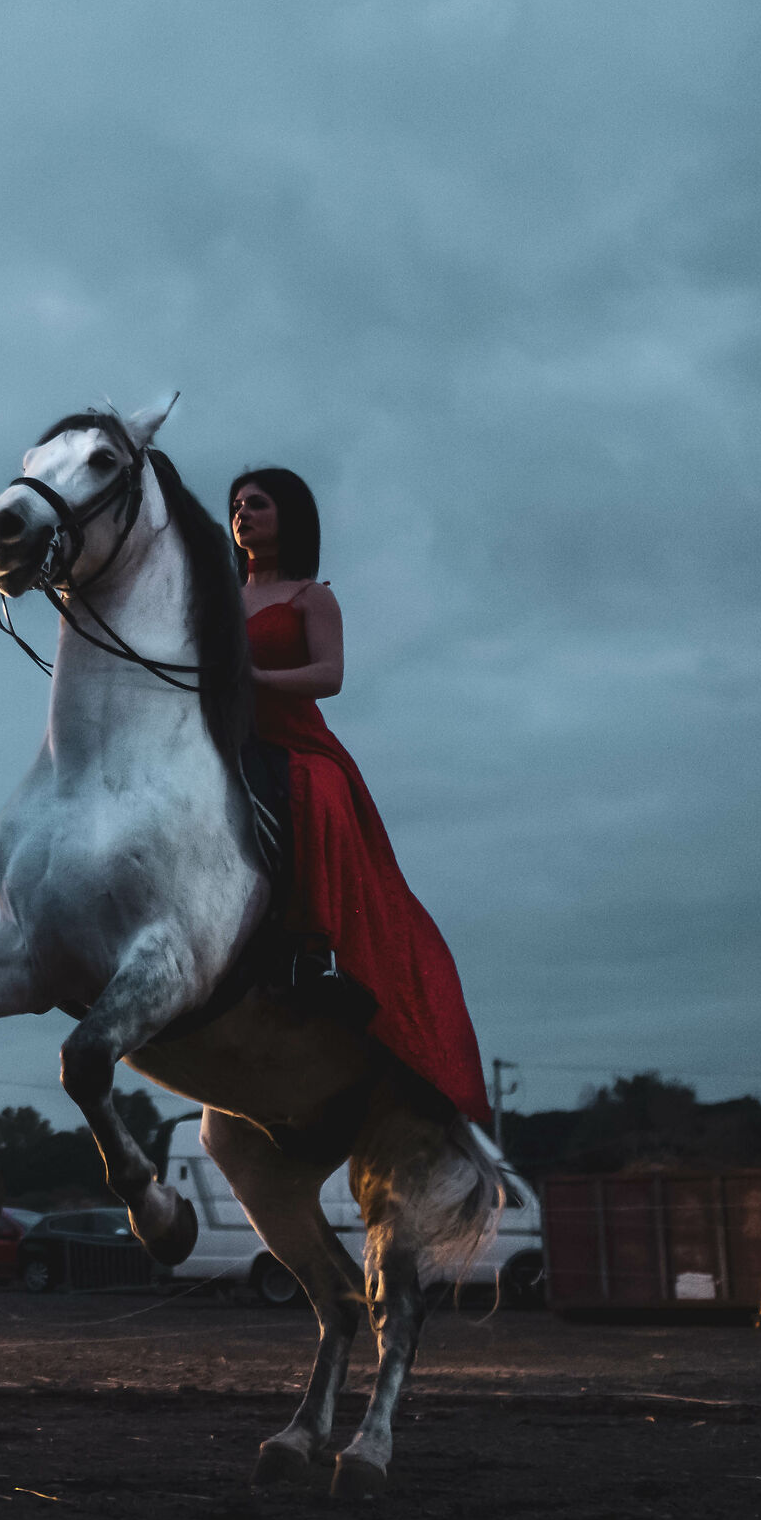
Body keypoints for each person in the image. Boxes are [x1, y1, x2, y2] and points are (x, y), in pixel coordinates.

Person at [228, 468, 488, 1123]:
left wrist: (253, 673)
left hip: (297, 743)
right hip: (231, 737)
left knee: (320, 795)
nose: (242, 514)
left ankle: (312, 950)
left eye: (256, 504)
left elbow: (330, 676)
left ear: (288, 518)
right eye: (236, 506)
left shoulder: (312, 597)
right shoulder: (221, 598)